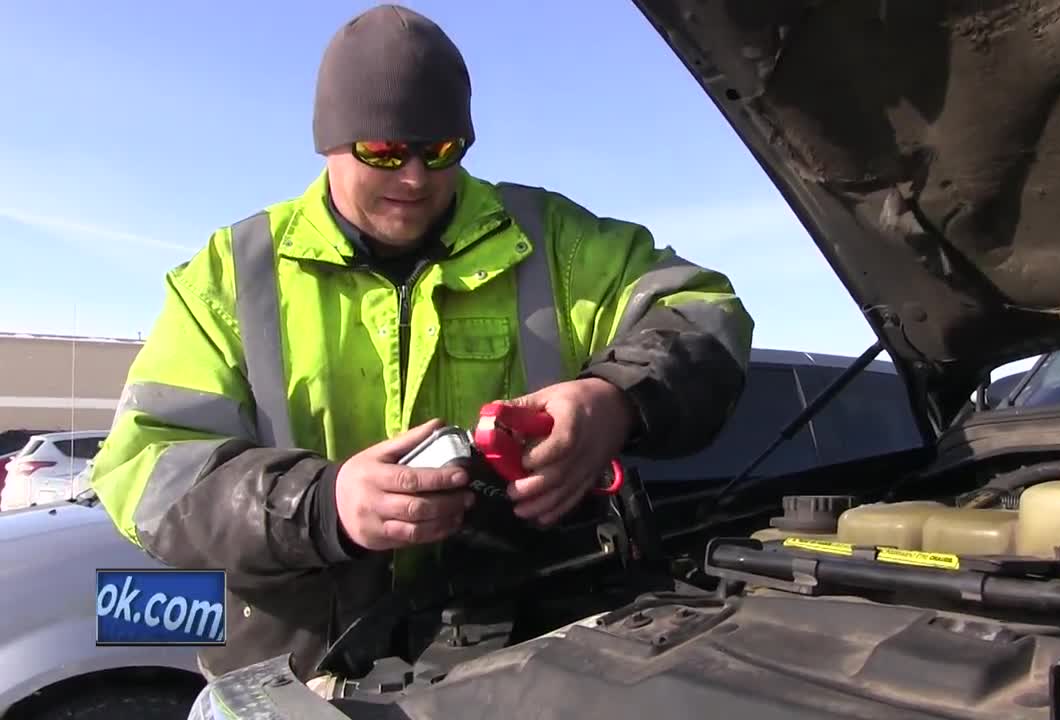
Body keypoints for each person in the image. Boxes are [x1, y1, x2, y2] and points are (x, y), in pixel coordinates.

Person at [90, 3, 753, 681]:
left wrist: (614, 399)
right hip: (303, 680)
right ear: (329, 143)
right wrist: (322, 505)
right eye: (382, 150)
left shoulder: (552, 239)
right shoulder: (231, 274)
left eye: (439, 151)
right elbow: (144, 469)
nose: (414, 177)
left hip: (524, 662)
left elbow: (706, 311)